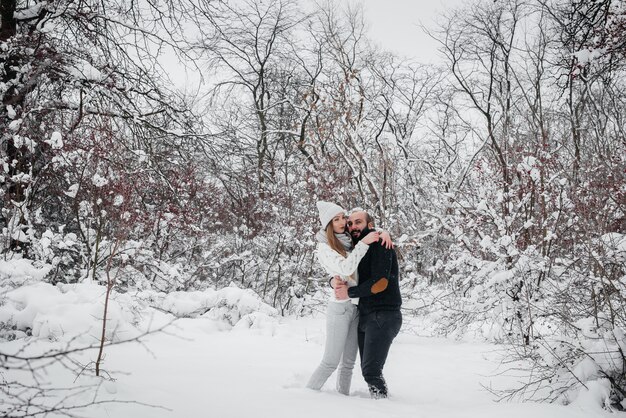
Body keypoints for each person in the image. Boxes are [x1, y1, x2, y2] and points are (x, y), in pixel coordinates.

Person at [306, 201, 392, 395]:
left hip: (356, 307)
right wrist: (363, 243)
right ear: (328, 225)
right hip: (339, 308)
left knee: (348, 364)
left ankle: (343, 401)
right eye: (336, 219)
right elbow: (346, 268)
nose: (342, 222)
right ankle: (307, 396)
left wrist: (383, 234)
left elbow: (367, 231)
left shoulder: (348, 242)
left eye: (343, 217)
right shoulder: (325, 247)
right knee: (330, 362)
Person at [334, 210, 402, 399]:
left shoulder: (381, 243)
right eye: (350, 223)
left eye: (358, 222)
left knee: (371, 371)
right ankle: (378, 402)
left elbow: (381, 283)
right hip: (365, 314)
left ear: (370, 225)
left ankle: (384, 408)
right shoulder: (357, 249)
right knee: (369, 371)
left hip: (383, 314)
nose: (353, 226)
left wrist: (350, 292)